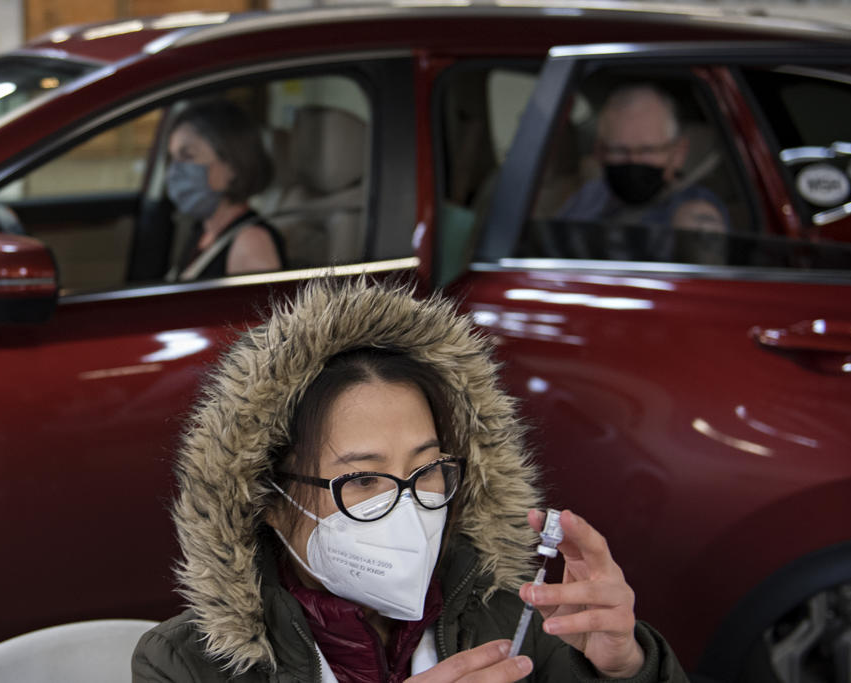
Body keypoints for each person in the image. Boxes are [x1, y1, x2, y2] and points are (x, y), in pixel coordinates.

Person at [132, 278, 689, 682]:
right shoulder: (188, 665)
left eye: (425, 470)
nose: (408, 508)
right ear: (270, 501)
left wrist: (627, 668)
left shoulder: (516, 619)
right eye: (364, 480)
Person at [556, 83, 728, 261]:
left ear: (678, 153)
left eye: (648, 150)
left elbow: (702, 275)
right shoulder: (589, 195)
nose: (634, 161)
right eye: (619, 150)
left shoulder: (692, 209)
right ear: (599, 152)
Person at [165, 99, 285, 280]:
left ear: (232, 166)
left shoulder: (251, 243)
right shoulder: (204, 231)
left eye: (187, 155)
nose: (174, 170)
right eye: (172, 158)